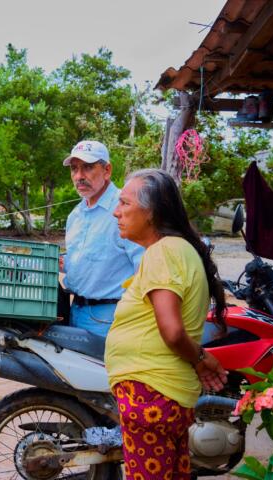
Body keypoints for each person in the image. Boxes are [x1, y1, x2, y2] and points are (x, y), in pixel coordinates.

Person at [105, 168, 228, 479]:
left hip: (150, 394)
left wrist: (201, 358)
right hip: (161, 393)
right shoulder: (177, 250)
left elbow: (172, 331)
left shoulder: (163, 253)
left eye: (124, 204)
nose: (116, 212)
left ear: (151, 212)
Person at [61, 140, 144, 336]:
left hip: (111, 318)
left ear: (107, 170)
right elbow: (87, 259)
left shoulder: (125, 209)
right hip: (75, 311)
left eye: (88, 168)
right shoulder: (75, 215)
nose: (79, 176)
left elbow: (145, 269)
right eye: (74, 169)